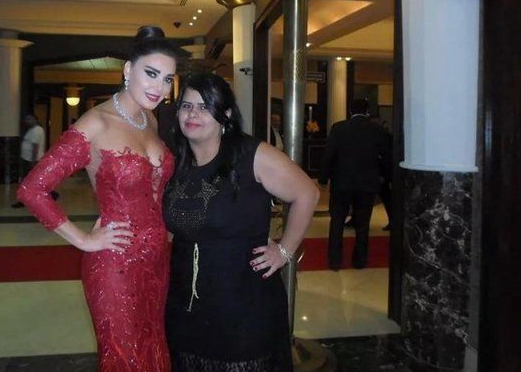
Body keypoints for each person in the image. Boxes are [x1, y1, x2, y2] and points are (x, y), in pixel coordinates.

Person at [17, 25, 180, 372]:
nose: (160, 87)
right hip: (114, 262)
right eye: (151, 74)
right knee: (123, 356)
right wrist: (83, 240)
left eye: (168, 79)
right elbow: (32, 189)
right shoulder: (96, 124)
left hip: (157, 260)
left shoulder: (149, 119)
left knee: (152, 346)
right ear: (128, 70)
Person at [164, 73, 319, 371]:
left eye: (205, 107)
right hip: (187, 301)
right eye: (186, 106)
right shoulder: (178, 160)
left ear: (225, 114)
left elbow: (307, 193)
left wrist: (284, 250)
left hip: (243, 301)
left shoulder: (251, 154)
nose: (193, 114)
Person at [318, 99, 390, 270]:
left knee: (337, 222)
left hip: (342, 182)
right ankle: (359, 261)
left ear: (350, 111)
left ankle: (335, 261)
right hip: (366, 183)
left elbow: (329, 155)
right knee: (363, 224)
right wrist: (383, 177)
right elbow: (386, 156)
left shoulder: (339, 128)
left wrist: (323, 178)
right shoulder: (376, 130)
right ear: (367, 112)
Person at [11, 113, 55, 208]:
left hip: (30, 160)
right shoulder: (32, 130)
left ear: (35, 119)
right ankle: (51, 193)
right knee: (32, 180)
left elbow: (35, 147)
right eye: (26, 119)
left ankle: (24, 200)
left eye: (30, 119)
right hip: (27, 158)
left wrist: (33, 161)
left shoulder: (36, 130)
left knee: (27, 181)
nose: (27, 121)